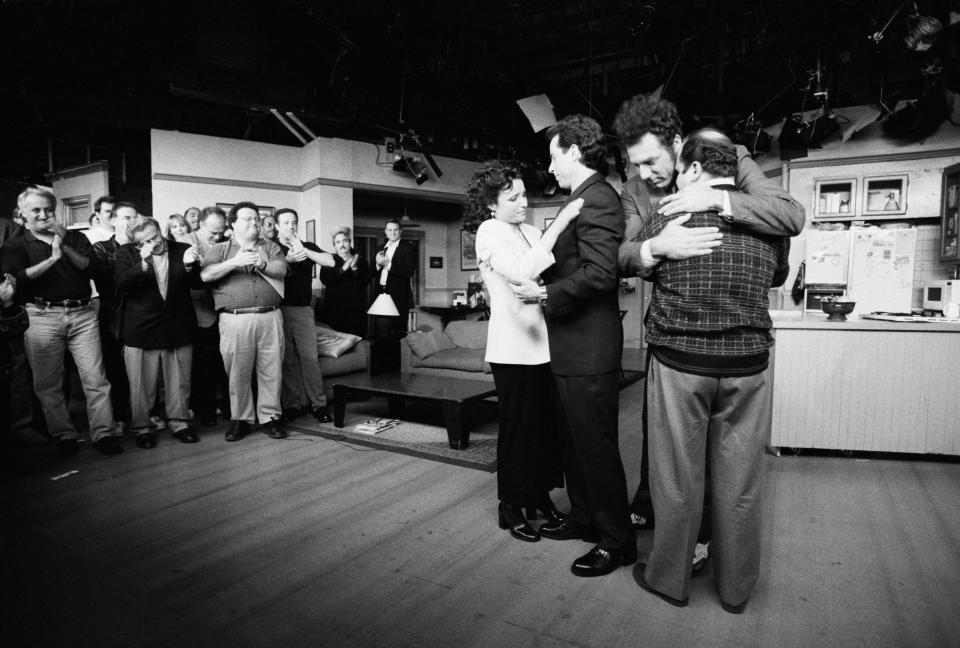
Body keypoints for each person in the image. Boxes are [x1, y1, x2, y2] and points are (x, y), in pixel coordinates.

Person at [612, 96, 804, 564]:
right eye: (635, 165)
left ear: (680, 150)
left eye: (652, 161)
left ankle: (686, 554)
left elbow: (791, 215)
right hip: (722, 350)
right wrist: (656, 246)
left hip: (689, 349)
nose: (646, 173)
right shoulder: (636, 190)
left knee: (697, 466)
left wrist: (718, 200)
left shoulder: (732, 157)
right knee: (685, 460)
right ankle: (719, 564)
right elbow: (622, 252)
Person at [512, 115, 633, 577]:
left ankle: (616, 542)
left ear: (575, 152)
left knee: (597, 449)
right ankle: (586, 519)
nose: (550, 166)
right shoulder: (578, 199)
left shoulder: (598, 198)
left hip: (589, 347)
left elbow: (602, 274)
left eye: (554, 155)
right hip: (570, 345)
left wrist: (544, 294)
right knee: (576, 445)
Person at [466, 160, 581, 543]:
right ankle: (511, 505)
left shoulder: (532, 230)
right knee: (517, 430)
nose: (522, 202)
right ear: (492, 204)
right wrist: (560, 225)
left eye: (524, 195)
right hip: (511, 348)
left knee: (544, 428)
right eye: (512, 197)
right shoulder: (488, 231)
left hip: (546, 345)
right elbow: (520, 273)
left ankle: (540, 498)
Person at [1, 186, 122, 456]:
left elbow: (92, 269)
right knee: (47, 383)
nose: (43, 214)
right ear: (23, 212)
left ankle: (103, 433)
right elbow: (16, 279)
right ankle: (64, 434)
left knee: (96, 378)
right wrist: (51, 259)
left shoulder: (76, 238)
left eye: (48, 209)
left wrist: (63, 244)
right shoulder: (15, 245)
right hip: (41, 316)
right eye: (36, 210)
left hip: (82, 313)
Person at [200, 201, 288, 441]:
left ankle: (271, 417)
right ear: (233, 223)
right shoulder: (219, 250)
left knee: (272, 370)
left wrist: (262, 264)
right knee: (237, 372)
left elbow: (281, 269)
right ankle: (241, 419)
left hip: (270, 316)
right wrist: (234, 262)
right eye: (248, 218)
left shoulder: (270, 247)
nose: (254, 222)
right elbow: (206, 275)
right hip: (235, 319)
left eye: (256, 219)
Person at [114, 217, 204, 448]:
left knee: (179, 381)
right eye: (146, 241)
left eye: (156, 236)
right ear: (136, 244)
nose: (155, 243)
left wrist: (188, 265)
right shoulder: (126, 253)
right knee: (141, 384)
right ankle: (143, 428)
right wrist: (143, 264)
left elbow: (198, 284)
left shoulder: (181, 249)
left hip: (178, 324)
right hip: (141, 326)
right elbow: (122, 283)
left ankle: (180, 424)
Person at [274, 208, 336, 423]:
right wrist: (288, 259)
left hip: (302, 310)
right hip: (277, 311)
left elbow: (330, 261)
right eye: (286, 223)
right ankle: (291, 405)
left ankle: (319, 405)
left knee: (310, 358)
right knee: (286, 360)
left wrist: (304, 251)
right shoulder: (271, 247)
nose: (290, 227)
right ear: (276, 226)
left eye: (294, 223)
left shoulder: (307, 246)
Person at [91, 201, 138, 437]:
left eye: (134, 217)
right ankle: (119, 416)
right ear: (114, 221)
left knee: (142, 367)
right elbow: (105, 282)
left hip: (141, 313)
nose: (131, 222)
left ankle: (144, 414)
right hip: (112, 314)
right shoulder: (101, 248)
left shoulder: (144, 247)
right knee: (115, 368)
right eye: (126, 217)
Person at [189, 206, 231, 426]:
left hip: (225, 310)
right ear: (201, 225)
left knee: (225, 363)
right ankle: (204, 409)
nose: (217, 236)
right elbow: (194, 279)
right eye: (213, 232)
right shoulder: (187, 243)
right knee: (202, 364)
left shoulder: (227, 243)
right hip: (200, 313)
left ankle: (227, 405)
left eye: (220, 232)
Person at [318, 227, 370, 337]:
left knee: (358, 344)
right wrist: (343, 268)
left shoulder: (362, 262)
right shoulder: (328, 260)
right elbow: (325, 279)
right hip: (334, 312)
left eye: (345, 241)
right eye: (338, 242)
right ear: (334, 245)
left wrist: (355, 268)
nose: (342, 244)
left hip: (356, 312)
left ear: (350, 242)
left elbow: (366, 282)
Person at [373, 218, 416, 334]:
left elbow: (408, 271)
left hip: (399, 296)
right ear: (385, 232)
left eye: (396, 230)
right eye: (390, 230)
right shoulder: (379, 248)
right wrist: (377, 265)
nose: (393, 233)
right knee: (380, 332)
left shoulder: (408, 248)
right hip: (380, 294)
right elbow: (372, 272)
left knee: (398, 333)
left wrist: (387, 264)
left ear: (401, 231)